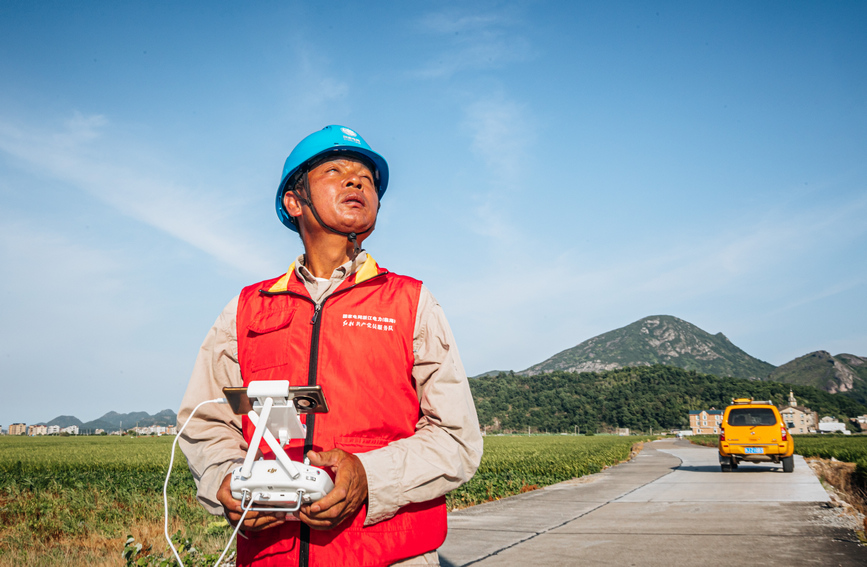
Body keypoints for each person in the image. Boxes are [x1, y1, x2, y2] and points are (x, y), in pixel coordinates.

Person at [178, 125, 483, 567]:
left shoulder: (411, 302)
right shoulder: (245, 309)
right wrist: (226, 480)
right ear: (294, 200)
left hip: (387, 555)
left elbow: (456, 438)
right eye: (336, 170)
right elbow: (207, 423)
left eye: (367, 177)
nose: (357, 180)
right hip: (270, 557)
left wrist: (368, 476)